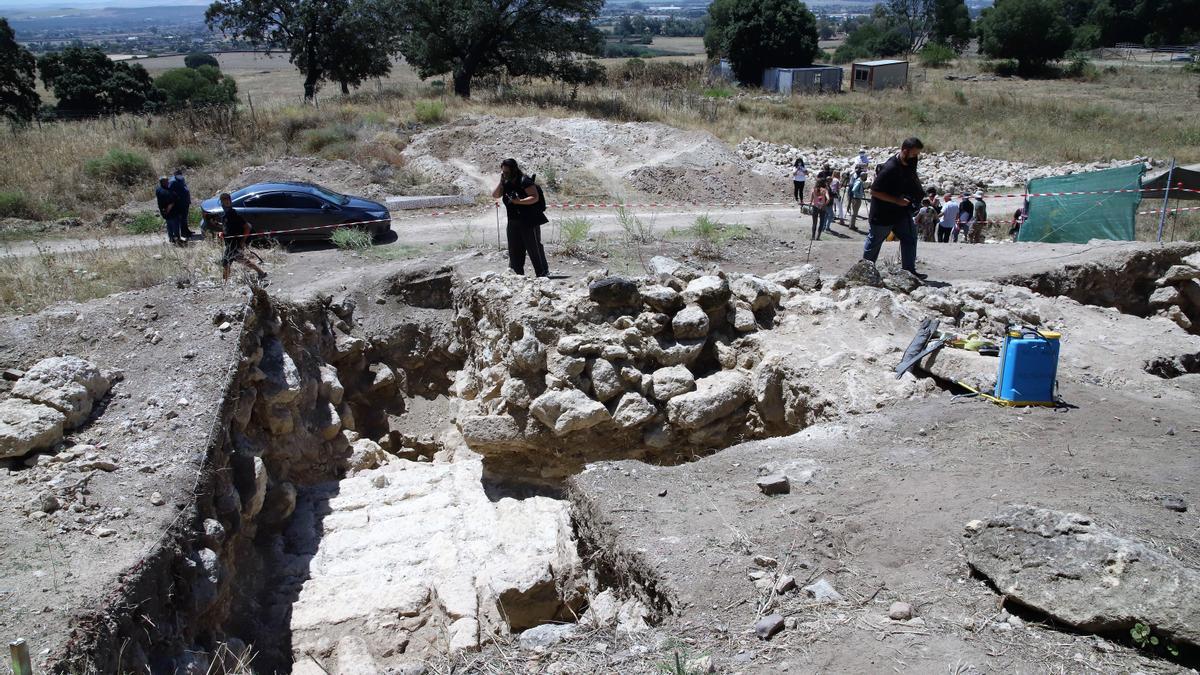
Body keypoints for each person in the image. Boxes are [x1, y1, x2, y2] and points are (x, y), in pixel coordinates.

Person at [862, 137, 925, 278]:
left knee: (910, 238)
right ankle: (865, 274)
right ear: (904, 151)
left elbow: (912, 178)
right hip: (883, 213)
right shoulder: (890, 168)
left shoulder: (911, 162)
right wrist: (897, 200)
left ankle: (909, 273)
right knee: (874, 243)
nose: (916, 157)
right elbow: (874, 191)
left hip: (901, 212)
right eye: (914, 153)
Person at [492, 158, 550, 278]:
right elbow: (495, 195)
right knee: (514, 248)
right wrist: (501, 180)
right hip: (513, 221)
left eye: (507, 172)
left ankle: (542, 273)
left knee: (533, 248)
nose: (505, 174)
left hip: (528, 220)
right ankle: (517, 275)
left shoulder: (524, 180)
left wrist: (519, 201)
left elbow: (535, 197)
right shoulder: (506, 182)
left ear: (514, 170)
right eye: (503, 172)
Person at [218, 192, 267, 282]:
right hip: (230, 243)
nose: (226, 203)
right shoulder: (225, 215)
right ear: (221, 202)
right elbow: (227, 228)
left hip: (235, 243)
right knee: (240, 259)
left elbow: (247, 227)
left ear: (230, 201)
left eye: (227, 200)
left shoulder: (234, 214)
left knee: (226, 262)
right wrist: (222, 233)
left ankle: (224, 282)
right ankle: (261, 272)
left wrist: (242, 241)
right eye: (223, 201)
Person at [168, 167, 194, 240]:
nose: (180, 175)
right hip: (179, 203)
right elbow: (170, 192)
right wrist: (177, 198)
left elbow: (184, 187)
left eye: (180, 173)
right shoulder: (172, 181)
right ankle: (183, 233)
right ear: (175, 174)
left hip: (185, 201)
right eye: (178, 174)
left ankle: (186, 230)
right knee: (181, 218)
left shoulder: (181, 179)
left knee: (185, 218)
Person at [155, 176, 180, 244]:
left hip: (165, 212)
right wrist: (167, 211)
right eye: (166, 181)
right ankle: (177, 240)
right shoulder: (166, 192)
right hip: (171, 212)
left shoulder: (158, 190)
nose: (168, 182)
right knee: (175, 226)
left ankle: (171, 239)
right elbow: (170, 204)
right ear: (163, 182)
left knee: (169, 226)